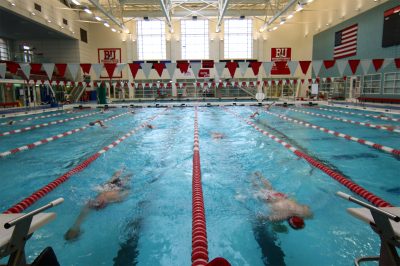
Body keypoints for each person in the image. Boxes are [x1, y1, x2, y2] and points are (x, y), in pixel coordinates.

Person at [64, 169, 132, 240]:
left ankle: (122, 172)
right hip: (110, 189)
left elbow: (126, 194)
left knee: (121, 180)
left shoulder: (113, 198)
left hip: (113, 189)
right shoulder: (94, 203)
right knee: (114, 181)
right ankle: (121, 171)